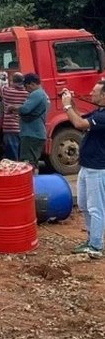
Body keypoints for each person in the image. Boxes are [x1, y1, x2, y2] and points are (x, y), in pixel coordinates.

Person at [61, 81, 105, 259]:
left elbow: (79, 124)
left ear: (103, 96)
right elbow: (80, 118)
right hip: (87, 167)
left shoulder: (103, 116)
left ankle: (96, 245)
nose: (91, 94)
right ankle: (91, 239)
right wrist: (72, 104)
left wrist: (66, 106)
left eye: (94, 92)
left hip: (97, 168)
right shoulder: (98, 112)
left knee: (96, 208)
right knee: (84, 205)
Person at [10, 72, 49, 171]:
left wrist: (14, 107)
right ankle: (33, 183)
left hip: (31, 134)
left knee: (28, 163)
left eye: (26, 87)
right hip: (36, 133)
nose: (26, 90)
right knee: (32, 162)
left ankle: (30, 184)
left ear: (32, 84)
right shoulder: (43, 94)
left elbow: (25, 109)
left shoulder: (37, 94)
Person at [0, 68, 28, 161]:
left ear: (12, 81)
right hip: (24, 128)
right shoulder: (27, 93)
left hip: (10, 129)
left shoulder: (7, 91)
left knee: (12, 158)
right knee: (23, 156)